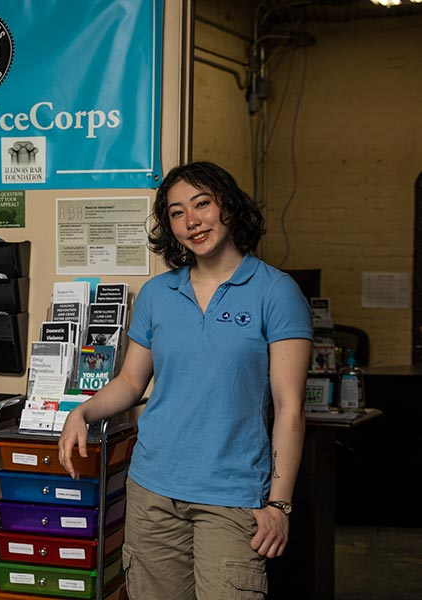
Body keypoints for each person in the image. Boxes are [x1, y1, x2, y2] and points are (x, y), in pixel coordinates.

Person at [58, 161, 312, 599]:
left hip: (231, 496)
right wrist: (81, 411)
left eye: (202, 204)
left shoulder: (275, 291)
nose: (192, 221)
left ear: (228, 208)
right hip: (152, 489)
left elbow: (290, 407)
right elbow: (131, 382)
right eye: (177, 212)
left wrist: (279, 503)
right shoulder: (159, 293)